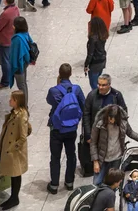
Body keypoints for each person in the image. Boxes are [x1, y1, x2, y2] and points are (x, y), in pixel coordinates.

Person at [45, 64, 85, 194]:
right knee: (71, 155)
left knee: (55, 157)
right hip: (71, 129)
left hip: (56, 129)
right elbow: (83, 105)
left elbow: (49, 101)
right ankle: (69, 182)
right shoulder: (76, 89)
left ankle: (54, 185)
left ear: (59, 73)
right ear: (71, 73)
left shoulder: (53, 91)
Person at [91, 104, 138, 186]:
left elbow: (130, 132)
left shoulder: (123, 123)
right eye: (109, 119)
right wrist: (95, 161)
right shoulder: (99, 124)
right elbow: (93, 143)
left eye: (113, 120)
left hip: (116, 158)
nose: (111, 121)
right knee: (96, 182)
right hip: (102, 159)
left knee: (113, 184)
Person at [0, 90, 30, 210]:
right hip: (9, 149)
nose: (9, 100)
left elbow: (23, 136)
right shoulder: (14, 113)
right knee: (13, 175)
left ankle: (14, 198)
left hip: (14, 152)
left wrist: (13, 148)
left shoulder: (22, 115)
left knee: (16, 174)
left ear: (16, 101)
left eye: (11, 99)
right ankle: (13, 197)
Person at [83, 74, 128, 142]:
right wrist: (88, 135)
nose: (100, 87)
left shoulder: (116, 95)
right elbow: (86, 115)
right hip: (96, 134)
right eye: (99, 84)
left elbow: (124, 113)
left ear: (109, 85)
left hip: (112, 134)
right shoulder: (91, 96)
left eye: (103, 85)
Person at [0, 0, 19, 89]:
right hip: (12, 38)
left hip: (4, 40)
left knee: (5, 61)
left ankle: (5, 81)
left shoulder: (5, 14)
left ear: (5, 1)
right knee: (8, 59)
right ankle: (10, 77)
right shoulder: (15, 9)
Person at [9, 17, 33, 107]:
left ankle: (24, 106)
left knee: (21, 86)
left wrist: (13, 67)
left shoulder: (17, 39)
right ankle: (25, 104)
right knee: (24, 84)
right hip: (24, 63)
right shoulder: (25, 34)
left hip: (18, 65)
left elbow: (14, 55)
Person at [85, 18, 108, 90]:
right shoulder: (103, 35)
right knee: (99, 80)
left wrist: (86, 65)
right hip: (102, 60)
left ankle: (97, 98)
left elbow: (90, 54)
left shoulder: (93, 38)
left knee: (93, 84)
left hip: (94, 63)